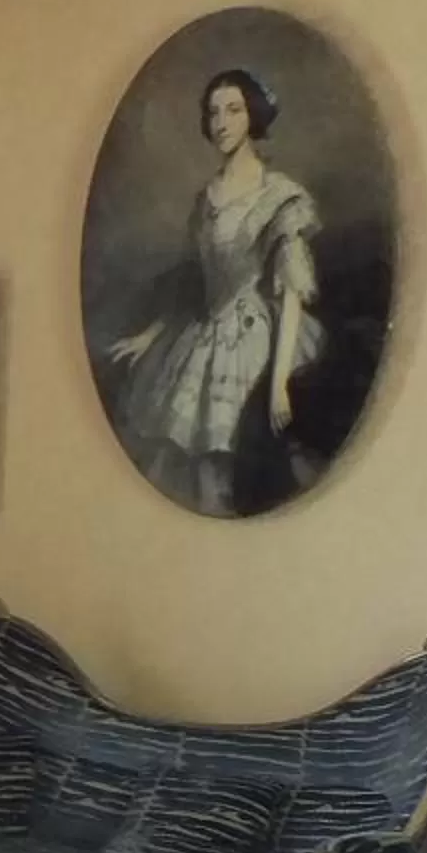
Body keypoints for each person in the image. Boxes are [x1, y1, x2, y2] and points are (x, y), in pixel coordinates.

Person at [99, 66, 323, 516]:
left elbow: (292, 292)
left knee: (246, 455)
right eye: (213, 111)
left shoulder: (279, 196)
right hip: (202, 329)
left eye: (233, 110)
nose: (221, 121)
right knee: (196, 466)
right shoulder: (207, 196)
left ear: (252, 116)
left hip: (255, 336)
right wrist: (149, 336)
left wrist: (279, 382)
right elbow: (194, 283)